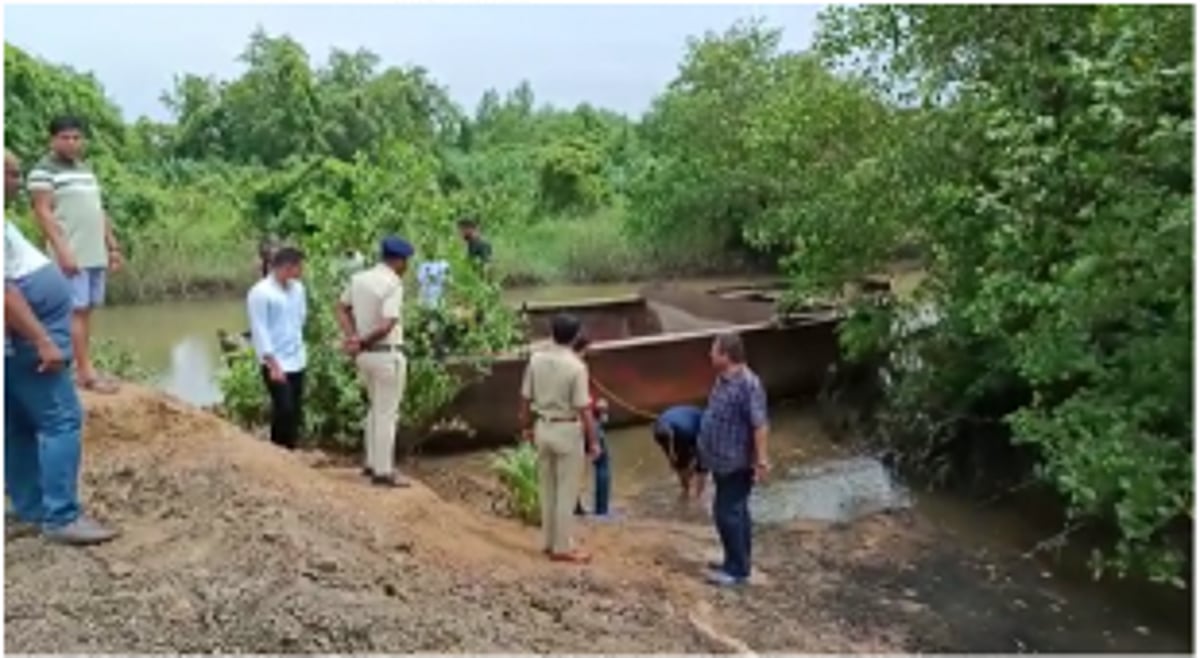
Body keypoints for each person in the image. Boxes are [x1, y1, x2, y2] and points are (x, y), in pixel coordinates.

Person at [4, 149, 117, 545]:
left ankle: (28, 506)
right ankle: (61, 516)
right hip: (25, 344)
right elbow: (5, 293)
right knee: (61, 421)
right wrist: (41, 339)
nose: (17, 183)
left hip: (14, 347)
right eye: (11, 175)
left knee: (17, 425)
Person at [28, 115, 124, 394]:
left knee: (87, 310)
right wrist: (63, 251)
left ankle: (83, 367)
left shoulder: (85, 170)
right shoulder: (42, 171)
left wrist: (112, 245)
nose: (71, 143)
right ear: (52, 139)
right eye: (65, 137)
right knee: (75, 312)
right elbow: (43, 212)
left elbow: (98, 210)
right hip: (71, 254)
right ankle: (84, 373)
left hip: (95, 254)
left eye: (76, 138)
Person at [518, 313, 599, 563]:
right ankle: (562, 548)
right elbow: (584, 408)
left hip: (543, 426)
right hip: (567, 429)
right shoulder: (577, 367)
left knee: (547, 488)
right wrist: (593, 441)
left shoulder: (536, 359)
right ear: (575, 337)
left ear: (552, 332)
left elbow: (524, 399)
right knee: (566, 491)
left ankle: (548, 541)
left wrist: (525, 427)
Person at [336, 236, 413, 488]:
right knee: (386, 413)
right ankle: (383, 471)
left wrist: (352, 337)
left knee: (374, 408)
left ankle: (371, 463)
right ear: (399, 261)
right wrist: (363, 341)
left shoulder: (360, 279)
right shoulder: (393, 284)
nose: (407, 266)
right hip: (385, 353)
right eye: (406, 261)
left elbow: (341, 307)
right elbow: (387, 324)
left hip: (365, 357)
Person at [697, 332, 770, 587]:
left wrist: (761, 461)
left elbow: (759, 425)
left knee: (727, 513)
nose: (710, 354)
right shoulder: (723, 379)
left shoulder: (749, 384)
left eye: (714, 350)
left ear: (726, 355)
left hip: (737, 463)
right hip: (720, 459)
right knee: (736, 512)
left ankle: (737, 571)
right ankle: (735, 559)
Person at [246, 247, 308, 450]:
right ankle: (277, 451)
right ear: (288, 266)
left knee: (295, 411)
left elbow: (300, 318)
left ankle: (290, 452)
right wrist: (272, 364)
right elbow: (259, 329)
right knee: (284, 408)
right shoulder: (260, 293)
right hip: (275, 361)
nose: (302, 270)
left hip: (297, 358)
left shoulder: (298, 289)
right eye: (300, 266)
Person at [572, 336, 612, 519]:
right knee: (602, 463)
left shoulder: (556, 364)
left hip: (564, 425)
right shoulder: (579, 368)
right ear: (584, 348)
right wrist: (598, 408)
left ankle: (575, 505)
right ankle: (602, 511)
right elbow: (583, 403)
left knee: (572, 467)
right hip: (583, 421)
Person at [653, 404, 708, 502]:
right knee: (701, 465)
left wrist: (671, 456)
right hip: (681, 430)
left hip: (659, 427)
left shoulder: (696, 416)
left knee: (680, 463)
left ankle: (686, 492)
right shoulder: (702, 420)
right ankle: (697, 496)